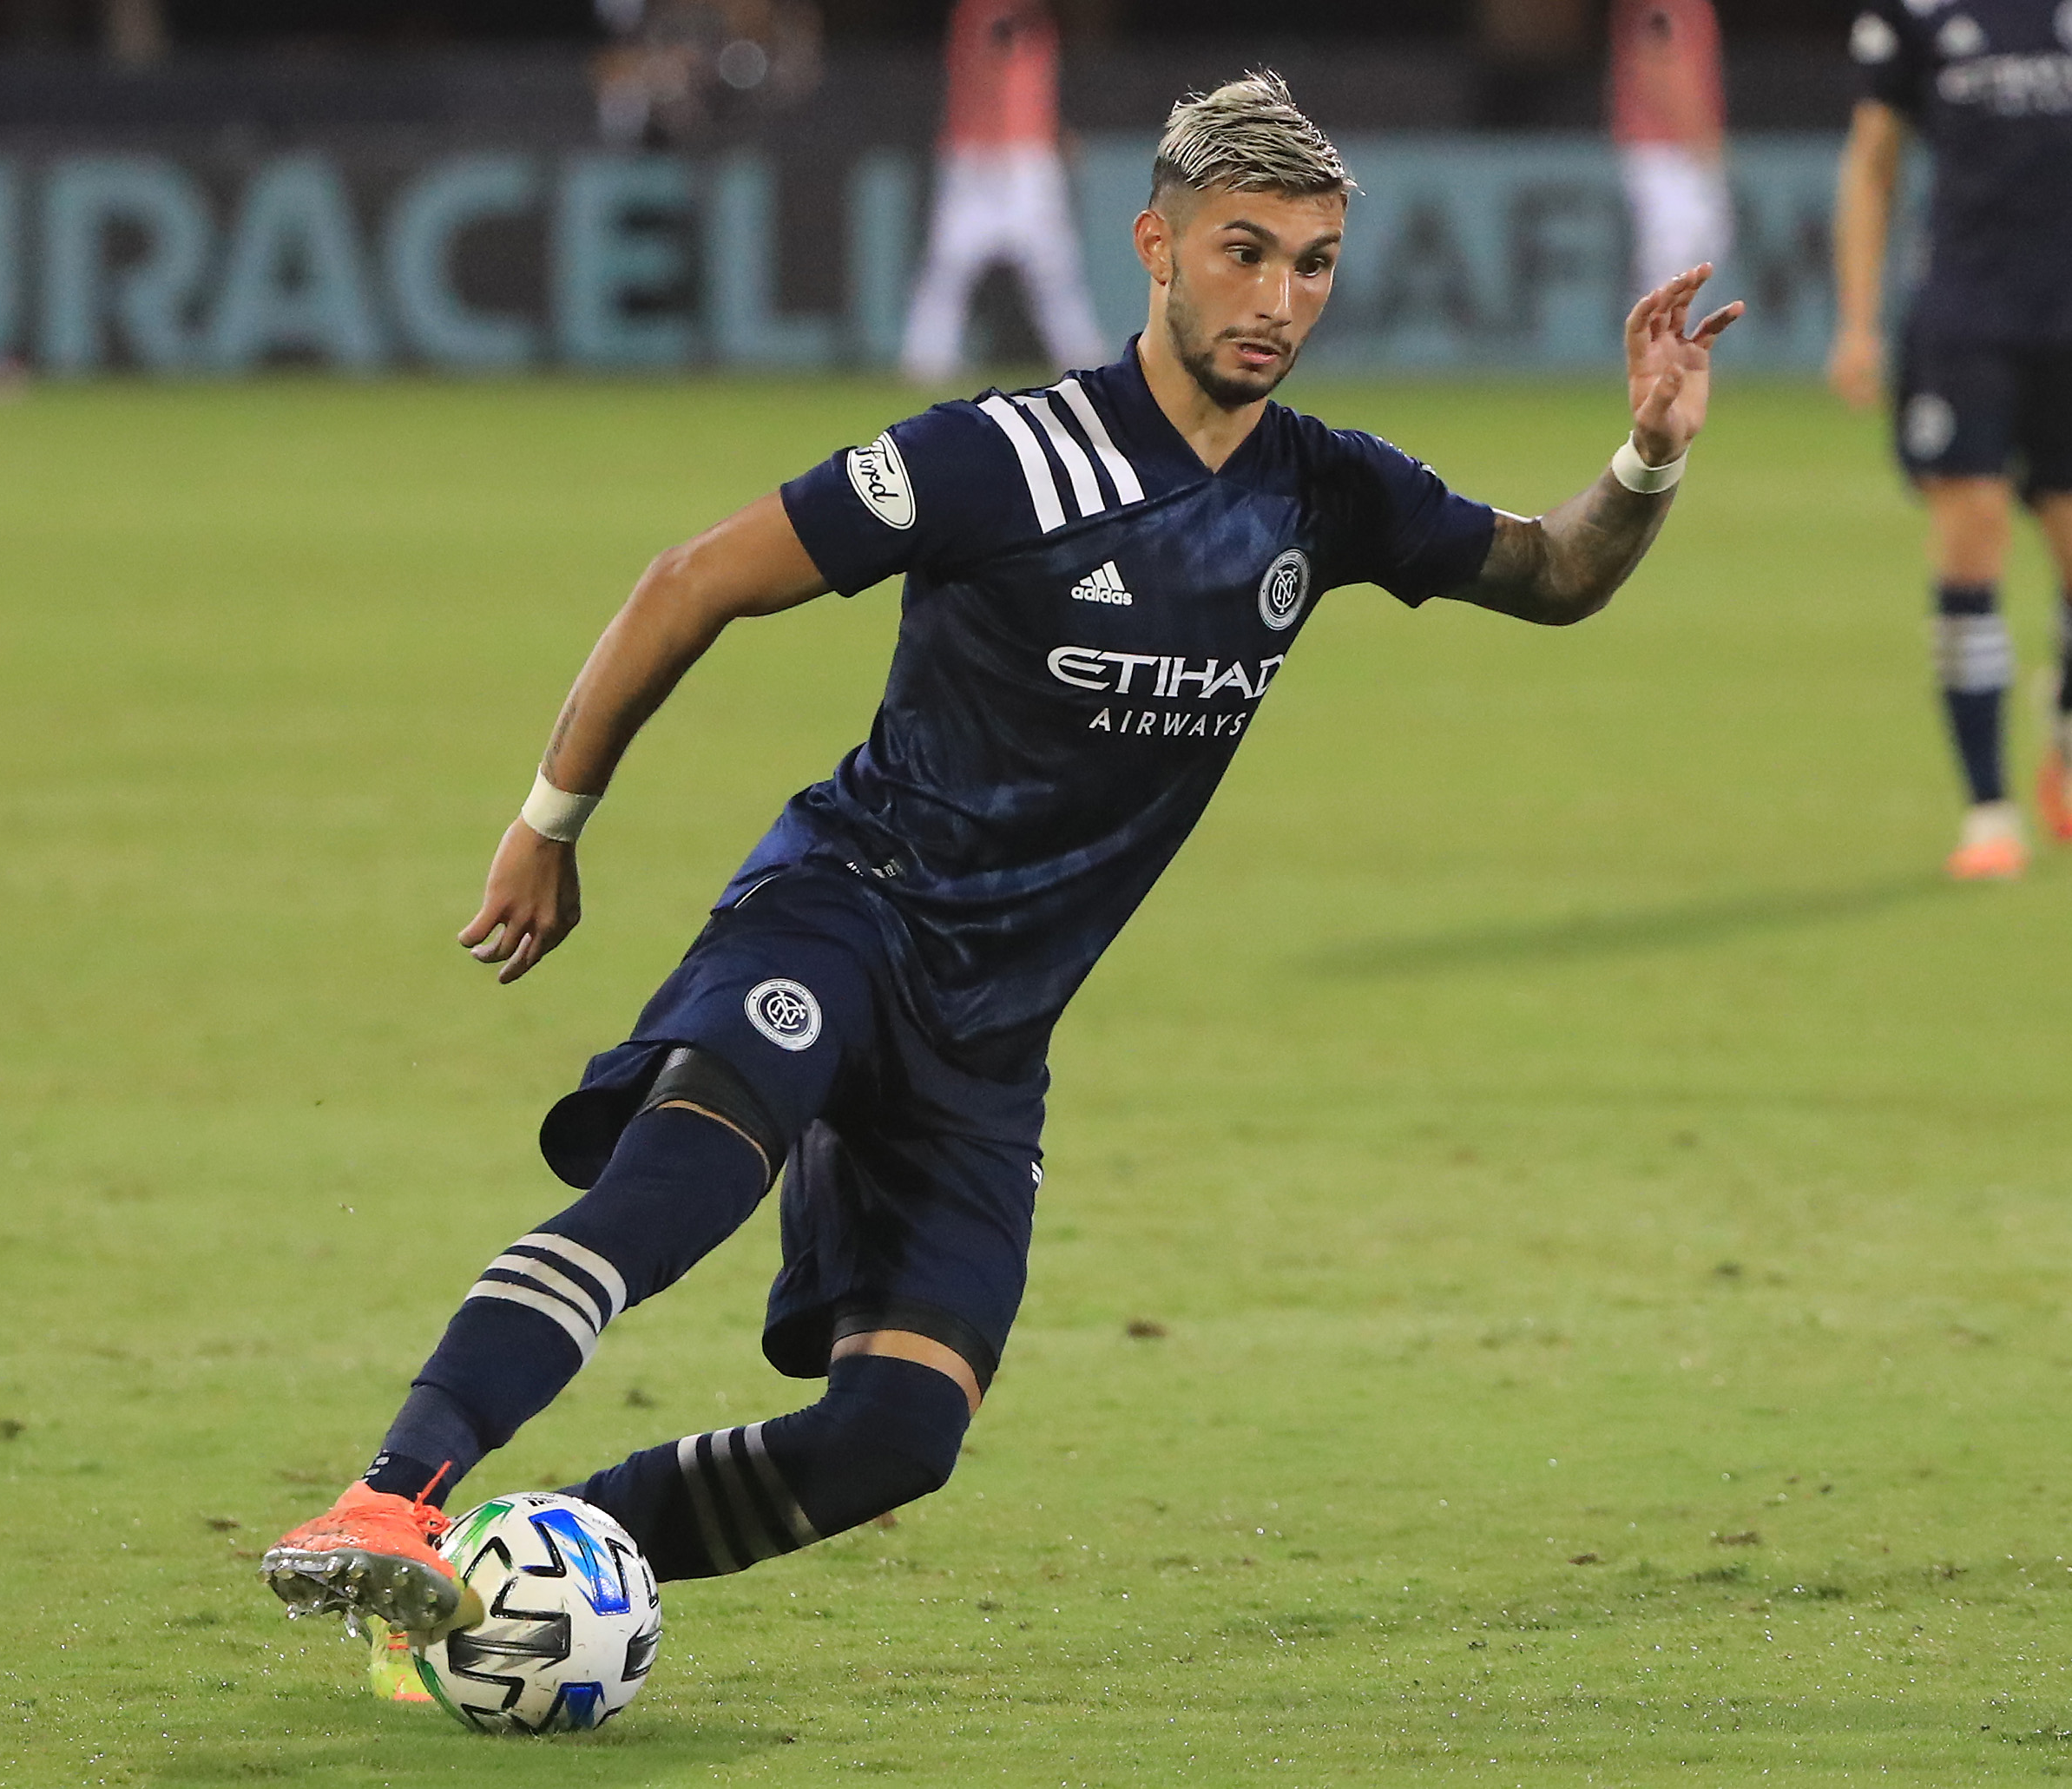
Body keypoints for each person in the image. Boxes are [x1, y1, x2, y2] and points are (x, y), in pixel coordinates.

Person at [261, 73, 1743, 1648]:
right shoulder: (999, 460)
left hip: (989, 1038)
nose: (1279, 299)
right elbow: (692, 580)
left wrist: (1646, 455)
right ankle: (387, 1497)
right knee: (677, 1183)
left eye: (1311, 265)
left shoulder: (1326, 490)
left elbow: (1554, 571)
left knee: (897, 1436)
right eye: (1243, 252)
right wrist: (549, 824)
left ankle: (526, 1563)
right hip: (849, 911)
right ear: (1152, 248)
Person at [1829, 0, 2072, 878]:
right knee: (1970, 534)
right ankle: (1986, 811)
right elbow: (1871, 161)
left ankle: (2067, 707)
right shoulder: (1912, 14)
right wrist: (1855, 321)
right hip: (1963, 322)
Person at [898, 0, 1108, 382]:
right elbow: (998, 46)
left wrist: (1055, 131)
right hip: (977, 161)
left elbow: (1026, 88)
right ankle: (924, 364)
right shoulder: (985, 12)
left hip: (1028, 160)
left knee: (1055, 273)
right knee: (949, 269)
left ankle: (1087, 368)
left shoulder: (1040, 21)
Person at [1611, 0, 1732, 297]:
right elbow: (1661, 71)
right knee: (1673, 251)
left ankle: (1669, 335)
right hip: (1663, 149)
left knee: (1706, 244)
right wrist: (1697, 134)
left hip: (1674, 147)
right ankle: (1655, 338)